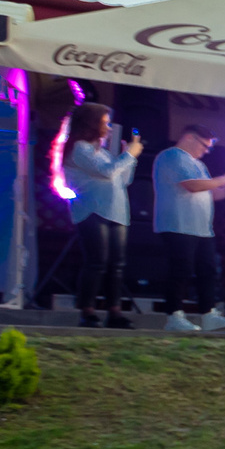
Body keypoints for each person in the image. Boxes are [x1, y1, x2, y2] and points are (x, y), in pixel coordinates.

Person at [152, 123, 225, 331]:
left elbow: (209, 192)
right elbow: (192, 185)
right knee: (180, 270)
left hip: (200, 227)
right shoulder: (172, 156)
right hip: (177, 224)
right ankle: (174, 316)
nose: (206, 151)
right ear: (190, 138)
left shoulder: (198, 164)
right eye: (204, 145)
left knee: (207, 271)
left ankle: (208, 314)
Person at [64, 102, 139, 328]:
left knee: (117, 264)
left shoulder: (103, 153)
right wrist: (128, 155)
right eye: (104, 123)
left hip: (116, 211)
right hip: (92, 210)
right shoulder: (80, 148)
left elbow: (123, 179)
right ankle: (87, 311)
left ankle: (114, 312)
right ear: (90, 123)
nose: (108, 128)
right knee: (96, 262)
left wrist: (129, 158)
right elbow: (107, 172)